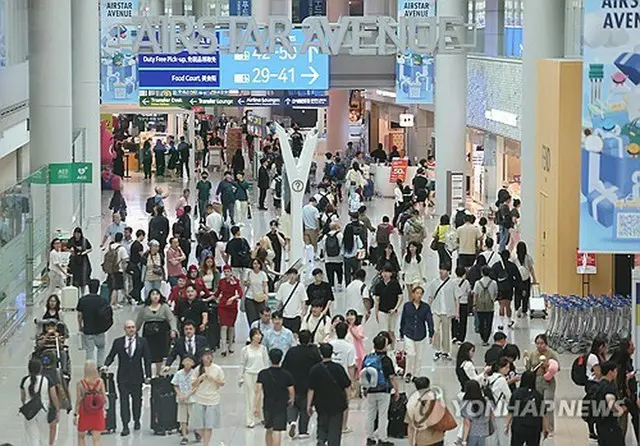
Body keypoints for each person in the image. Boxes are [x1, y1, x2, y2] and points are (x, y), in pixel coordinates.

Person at [102, 320, 152, 436]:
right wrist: (106, 365)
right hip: (123, 377)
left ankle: (137, 419)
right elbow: (111, 355)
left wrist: (148, 375)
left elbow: (147, 359)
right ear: (125, 329)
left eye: (133, 327)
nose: (131, 329)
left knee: (137, 400)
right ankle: (125, 425)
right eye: (129, 327)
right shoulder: (118, 342)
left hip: (137, 376)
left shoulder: (142, 342)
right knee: (124, 401)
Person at [308, 343, 352, 445]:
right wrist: (347, 399)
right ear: (332, 353)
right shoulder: (339, 368)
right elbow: (347, 385)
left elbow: (311, 389)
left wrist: (309, 405)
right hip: (337, 402)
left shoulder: (315, 369)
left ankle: (321, 439)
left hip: (321, 402)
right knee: (335, 427)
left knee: (322, 422)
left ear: (320, 353)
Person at [283, 329, 322, 439]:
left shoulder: (291, 352)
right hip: (308, 384)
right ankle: (303, 431)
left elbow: (284, 367)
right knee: (306, 406)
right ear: (309, 339)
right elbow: (319, 367)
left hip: (293, 383)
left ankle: (292, 421)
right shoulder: (313, 352)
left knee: (292, 403)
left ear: (298, 339)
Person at [363, 334, 400, 446]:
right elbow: (391, 377)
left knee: (370, 414)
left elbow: (363, 374)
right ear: (385, 346)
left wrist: (365, 388)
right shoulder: (386, 360)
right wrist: (396, 390)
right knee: (383, 415)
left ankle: (370, 437)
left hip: (370, 390)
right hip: (384, 390)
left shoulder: (368, 358)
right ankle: (382, 438)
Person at [256, 348, 295, 446]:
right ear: (281, 359)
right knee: (277, 431)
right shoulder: (286, 374)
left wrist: (256, 406)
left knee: (269, 429)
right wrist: (291, 400)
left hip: (268, 405)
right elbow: (291, 391)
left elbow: (258, 391)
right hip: (281, 405)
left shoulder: (263, 374)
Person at [135, 288, 177, 376]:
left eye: (157, 294)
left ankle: (158, 373)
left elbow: (171, 319)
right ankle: (148, 374)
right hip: (148, 334)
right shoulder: (144, 308)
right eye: (153, 294)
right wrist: (134, 331)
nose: (155, 296)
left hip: (161, 333)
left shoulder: (164, 307)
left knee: (159, 354)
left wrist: (173, 330)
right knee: (148, 353)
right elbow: (139, 321)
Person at [525, 334, 559, 436]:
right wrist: (526, 359)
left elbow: (558, 367)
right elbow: (528, 368)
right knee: (538, 404)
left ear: (546, 344)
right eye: (537, 343)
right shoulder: (533, 354)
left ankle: (550, 428)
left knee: (548, 404)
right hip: (537, 381)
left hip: (548, 381)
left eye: (542, 343)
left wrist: (548, 366)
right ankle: (539, 426)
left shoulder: (551, 354)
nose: (539, 345)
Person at [400, 284, 435, 382]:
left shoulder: (426, 307)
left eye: (421, 293)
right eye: (417, 293)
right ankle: (408, 373)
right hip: (409, 333)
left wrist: (431, 333)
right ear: (413, 294)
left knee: (419, 357)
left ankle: (416, 375)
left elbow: (429, 321)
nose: (419, 295)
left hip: (421, 334)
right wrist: (401, 332)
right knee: (410, 354)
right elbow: (403, 319)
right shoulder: (407, 306)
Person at [21, 358, 59, 446]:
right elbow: (54, 396)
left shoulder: (25, 380)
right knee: (44, 437)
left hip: (29, 412)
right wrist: (57, 409)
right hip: (43, 410)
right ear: (40, 368)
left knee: (33, 437)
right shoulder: (47, 379)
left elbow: (23, 398)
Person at [191, 348, 225, 446]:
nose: (208, 357)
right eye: (206, 355)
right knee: (199, 426)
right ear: (202, 357)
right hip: (200, 399)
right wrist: (200, 378)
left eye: (209, 354)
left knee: (209, 425)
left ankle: (206, 444)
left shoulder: (217, 369)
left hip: (212, 400)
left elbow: (222, 382)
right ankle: (204, 440)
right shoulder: (198, 369)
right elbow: (193, 384)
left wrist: (213, 379)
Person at [505, 371, 548, 446]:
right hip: (534, 428)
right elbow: (543, 415)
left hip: (519, 427)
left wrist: (507, 426)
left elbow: (511, 412)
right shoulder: (538, 395)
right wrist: (545, 429)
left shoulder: (516, 393)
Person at [77, 279, 112, 367]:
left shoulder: (83, 300)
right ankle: (100, 366)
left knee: (89, 349)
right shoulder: (102, 300)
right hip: (100, 329)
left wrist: (80, 326)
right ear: (98, 288)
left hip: (88, 329)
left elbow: (79, 315)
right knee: (101, 348)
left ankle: (90, 367)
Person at [426, 263, 457, 361]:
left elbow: (457, 298)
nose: (441, 271)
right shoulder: (434, 282)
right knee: (435, 330)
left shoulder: (452, 283)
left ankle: (446, 351)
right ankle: (437, 350)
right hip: (436, 310)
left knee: (446, 331)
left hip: (447, 311)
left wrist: (457, 312)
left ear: (448, 272)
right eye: (440, 269)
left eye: (443, 270)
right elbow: (430, 297)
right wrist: (427, 309)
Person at [329, 322, 357, 432]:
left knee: (330, 400)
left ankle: (330, 423)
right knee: (345, 402)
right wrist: (352, 382)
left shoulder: (330, 344)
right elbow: (351, 366)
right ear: (346, 332)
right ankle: (343, 426)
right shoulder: (350, 347)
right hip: (343, 378)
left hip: (330, 376)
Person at [405, 376, 447, 446]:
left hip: (422, 440)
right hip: (437, 437)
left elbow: (411, 427)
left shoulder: (412, 404)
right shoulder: (437, 400)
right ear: (429, 386)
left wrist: (410, 444)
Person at [240, 328, 269, 428]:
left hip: (260, 375)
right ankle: (250, 419)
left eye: (260, 334)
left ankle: (261, 417)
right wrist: (241, 377)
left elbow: (266, 363)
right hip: (249, 374)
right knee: (250, 397)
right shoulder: (245, 350)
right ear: (252, 336)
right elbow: (242, 364)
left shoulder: (263, 349)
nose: (258, 336)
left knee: (260, 396)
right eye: (256, 334)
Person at [593, 362, 625, 446]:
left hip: (600, 424)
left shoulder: (597, 386)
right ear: (610, 372)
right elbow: (610, 402)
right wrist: (620, 409)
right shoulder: (610, 387)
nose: (616, 373)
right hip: (610, 424)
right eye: (615, 371)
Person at [74, 361, 106, 446]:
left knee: (81, 437)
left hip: (84, 411)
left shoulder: (80, 383)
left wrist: (75, 414)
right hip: (97, 413)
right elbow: (104, 398)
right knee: (96, 439)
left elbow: (78, 400)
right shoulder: (100, 382)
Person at [212, 265, 242, 356]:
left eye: (228, 271)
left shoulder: (235, 281)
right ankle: (224, 347)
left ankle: (231, 345)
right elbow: (217, 293)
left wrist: (233, 298)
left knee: (231, 326)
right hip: (223, 305)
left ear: (231, 272)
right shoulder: (221, 282)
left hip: (232, 305)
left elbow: (240, 293)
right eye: (225, 272)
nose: (226, 273)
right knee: (223, 326)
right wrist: (209, 298)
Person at [373, 265, 404, 347]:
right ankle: (384, 348)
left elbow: (400, 297)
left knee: (392, 331)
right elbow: (377, 300)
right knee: (384, 332)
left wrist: (396, 308)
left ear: (391, 273)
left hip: (393, 312)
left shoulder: (395, 284)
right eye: (383, 272)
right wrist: (376, 313)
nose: (385, 274)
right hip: (382, 311)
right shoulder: (379, 285)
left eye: (387, 272)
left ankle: (393, 348)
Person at [584, 336, 608, 440]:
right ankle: (592, 431)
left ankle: (596, 429)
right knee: (593, 407)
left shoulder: (600, 356)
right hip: (593, 384)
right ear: (600, 347)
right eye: (604, 346)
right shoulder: (593, 357)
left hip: (598, 384)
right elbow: (598, 373)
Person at [491, 250, 522, 330]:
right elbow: (518, 277)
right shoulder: (512, 266)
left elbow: (492, 276)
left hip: (500, 288)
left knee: (501, 306)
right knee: (508, 305)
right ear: (508, 256)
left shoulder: (496, 266)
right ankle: (508, 321)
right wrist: (517, 286)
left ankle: (501, 323)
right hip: (509, 288)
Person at [172, 356, 197, 445]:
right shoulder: (179, 373)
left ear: (193, 363)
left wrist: (188, 394)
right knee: (182, 419)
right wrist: (179, 394)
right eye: (186, 361)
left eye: (189, 361)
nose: (187, 363)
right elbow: (175, 385)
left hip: (192, 399)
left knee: (193, 417)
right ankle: (184, 436)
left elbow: (196, 386)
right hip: (181, 399)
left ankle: (196, 430)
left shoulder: (195, 373)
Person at [487, 357, 513, 446]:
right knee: (504, 436)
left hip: (491, 409)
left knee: (495, 435)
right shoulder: (501, 380)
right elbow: (509, 396)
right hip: (501, 411)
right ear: (500, 368)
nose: (508, 370)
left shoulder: (490, 378)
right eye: (507, 367)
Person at [275, 268, 307, 333]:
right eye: (290, 274)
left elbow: (303, 301)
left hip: (296, 315)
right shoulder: (283, 286)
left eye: (294, 274)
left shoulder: (300, 286)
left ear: (297, 275)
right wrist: (276, 311)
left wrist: (302, 314)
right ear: (288, 275)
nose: (292, 276)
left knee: (295, 334)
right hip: (285, 315)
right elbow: (279, 300)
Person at [461, 380, 492, 446]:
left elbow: (467, 423)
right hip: (484, 433)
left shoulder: (467, 404)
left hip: (472, 434)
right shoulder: (486, 401)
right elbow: (490, 416)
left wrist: (464, 440)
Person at [473, 266, 498, 345]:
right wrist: (492, 300)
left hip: (480, 305)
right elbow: (496, 293)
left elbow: (475, 294)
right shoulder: (493, 283)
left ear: (481, 273)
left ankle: (483, 337)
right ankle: (486, 339)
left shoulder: (477, 283)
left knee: (481, 322)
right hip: (490, 305)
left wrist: (474, 304)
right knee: (489, 322)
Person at [512, 241, 537, 318]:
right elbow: (531, 269)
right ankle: (524, 309)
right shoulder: (528, 258)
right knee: (526, 294)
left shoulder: (515, 258)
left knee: (517, 293)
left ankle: (517, 307)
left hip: (518, 279)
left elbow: (513, 269)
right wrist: (534, 278)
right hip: (526, 279)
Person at [105, 232, 129, 309]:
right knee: (116, 287)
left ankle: (115, 303)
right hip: (118, 269)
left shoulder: (110, 246)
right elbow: (125, 260)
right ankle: (112, 303)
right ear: (122, 239)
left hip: (110, 269)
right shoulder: (122, 248)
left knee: (112, 287)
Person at [243, 258, 269, 327]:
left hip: (260, 297)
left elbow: (265, 285)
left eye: (258, 263)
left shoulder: (263, 274)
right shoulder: (248, 273)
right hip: (250, 297)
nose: (256, 265)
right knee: (252, 318)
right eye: (254, 263)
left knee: (261, 317)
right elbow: (244, 283)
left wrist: (266, 294)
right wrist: (247, 283)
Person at [68, 227, 92, 292]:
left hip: (83, 260)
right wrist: (71, 250)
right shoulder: (71, 240)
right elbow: (68, 247)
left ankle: (82, 292)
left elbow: (90, 248)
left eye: (78, 234)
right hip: (74, 260)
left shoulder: (84, 240)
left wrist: (84, 252)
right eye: (75, 234)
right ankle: (76, 292)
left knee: (83, 277)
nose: (77, 235)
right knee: (75, 277)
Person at [452, 266, 471, 344]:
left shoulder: (452, 281)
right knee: (463, 321)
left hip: (454, 303)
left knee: (454, 320)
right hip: (464, 303)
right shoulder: (466, 282)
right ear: (464, 273)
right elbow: (469, 292)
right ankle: (461, 338)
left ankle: (454, 336)